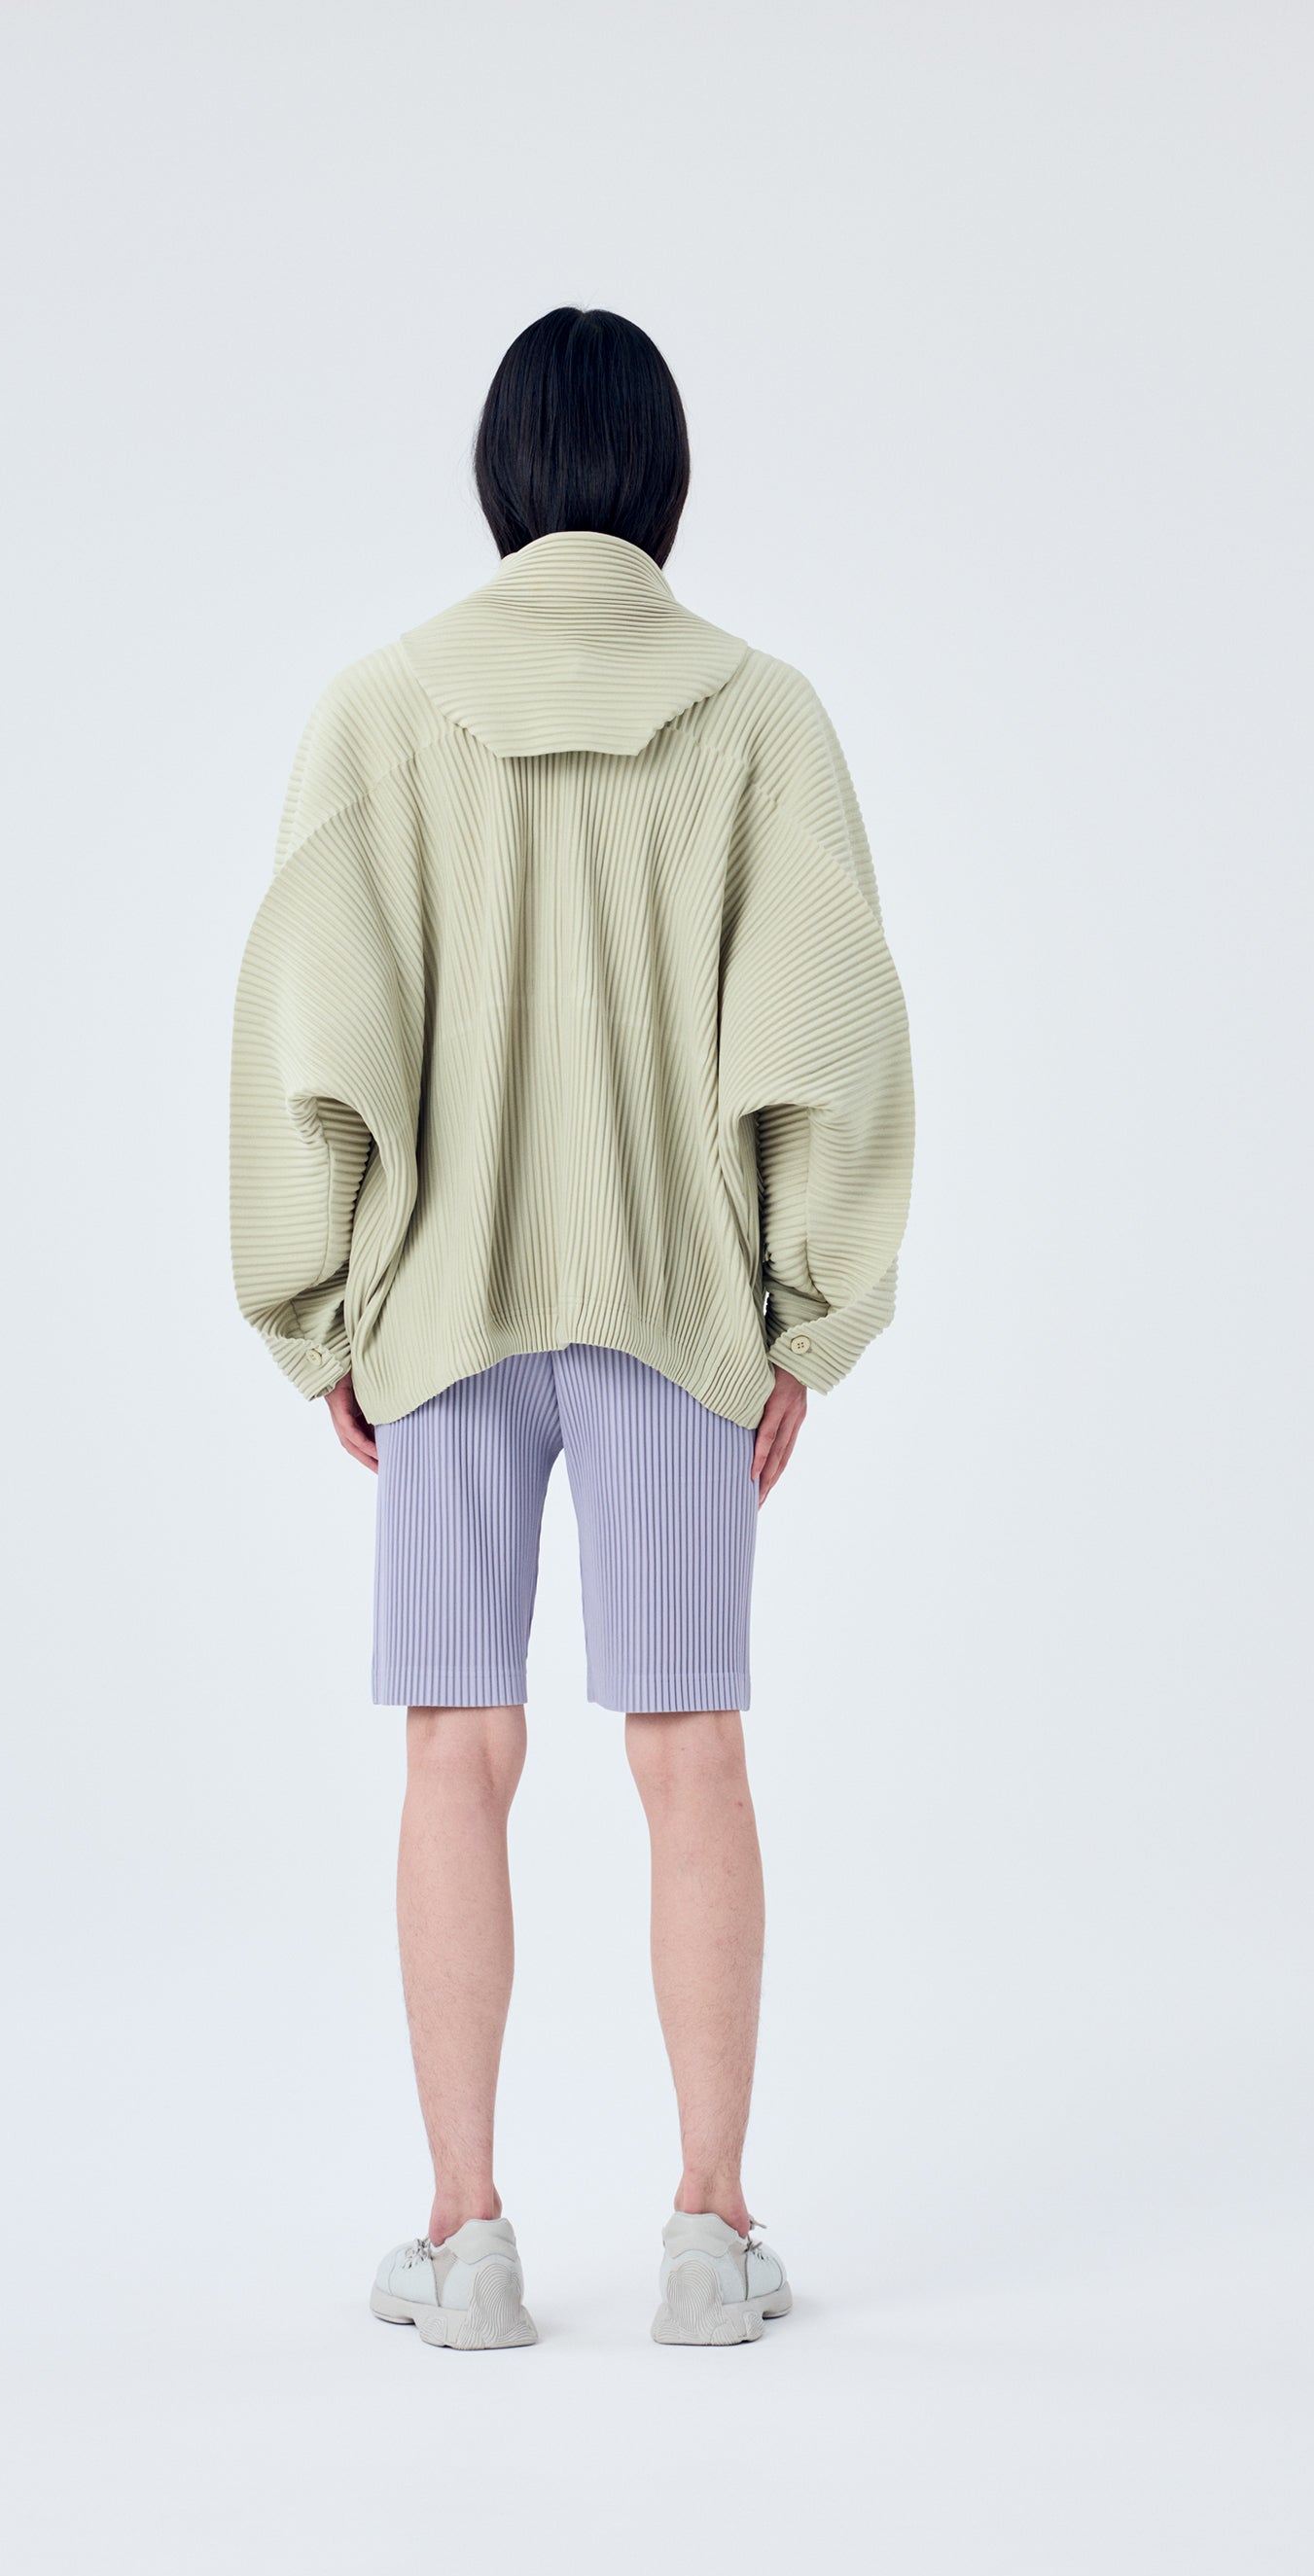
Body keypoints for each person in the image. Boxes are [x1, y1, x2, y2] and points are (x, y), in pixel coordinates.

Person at [229, 307, 913, 2348]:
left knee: (459, 1748)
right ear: (665, 481)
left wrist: (321, 1311)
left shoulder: (377, 713)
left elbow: (308, 1035)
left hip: (441, 1315)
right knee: (689, 1749)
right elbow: (829, 1040)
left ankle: (466, 2244)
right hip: (681, 1314)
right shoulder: (765, 715)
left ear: (501, 479)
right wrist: (802, 1323)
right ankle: (709, 2235)